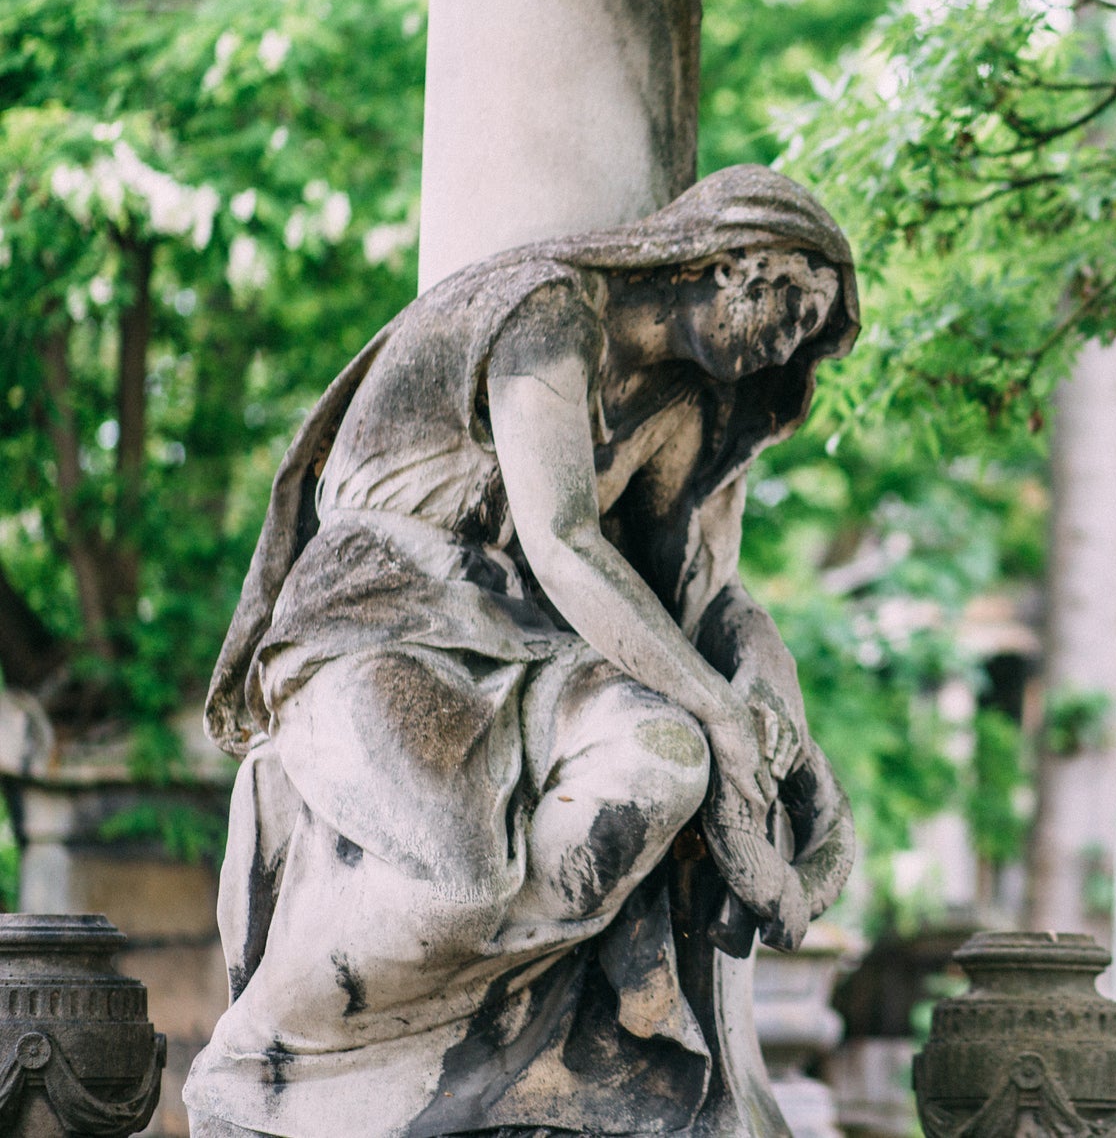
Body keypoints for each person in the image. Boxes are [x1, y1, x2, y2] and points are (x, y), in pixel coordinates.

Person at [186, 165, 858, 1138]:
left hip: (537, 640)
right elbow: (565, 540)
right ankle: (278, 1060)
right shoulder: (548, 309)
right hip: (385, 613)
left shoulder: (677, 403)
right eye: (789, 306)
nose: (788, 342)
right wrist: (718, 703)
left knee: (661, 762)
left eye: (808, 330)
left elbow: (695, 591)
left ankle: (522, 1060)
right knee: (459, 887)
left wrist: (763, 690)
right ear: (722, 260)